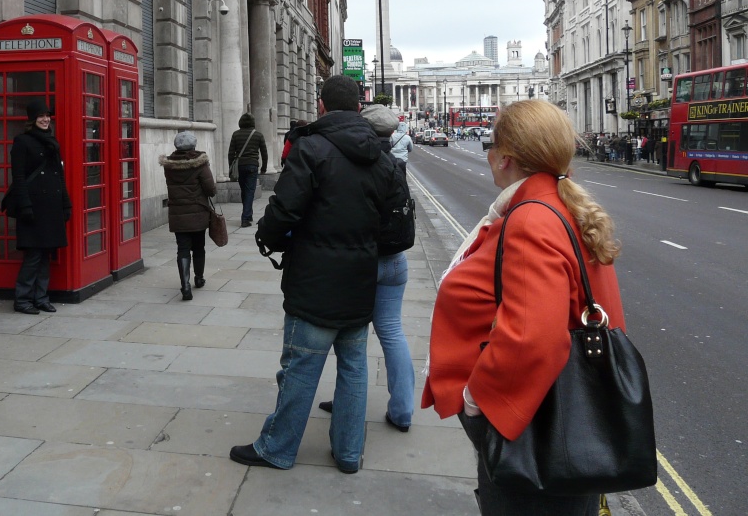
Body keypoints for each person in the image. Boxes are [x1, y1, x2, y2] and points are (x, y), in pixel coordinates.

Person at [422, 100, 626, 515]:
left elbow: (535, 339)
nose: (487, 155)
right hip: (555, 419)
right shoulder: (556, 205)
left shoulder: (532, 219)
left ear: (506, 157)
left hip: (533, 429)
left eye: (490, 145)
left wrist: (478, 403)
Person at [229, 75, 395, 474]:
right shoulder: (382, 154)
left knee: (302, 365)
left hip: (315, 278)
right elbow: (393, 222)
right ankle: (349, 452)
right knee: (354, 366)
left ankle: (278, 448)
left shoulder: (310, 148)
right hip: (359, 278)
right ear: (359, 107)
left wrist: (267, 238)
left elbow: (284, 210)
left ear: (321, 105)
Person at [318, 103, 416, 432]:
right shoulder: (397, 165)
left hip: (363, 263)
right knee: (392, 333)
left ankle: (348, 399)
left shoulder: (361, 164)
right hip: (395, 263)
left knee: (350, 337)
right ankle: (402, 411)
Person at [9, 98, 72, 315]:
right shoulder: (22, 142)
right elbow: (18, 177)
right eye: (41, 116)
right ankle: (23, 299)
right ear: (32, 119)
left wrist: (66, 203)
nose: (45, 119)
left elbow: (59, 176)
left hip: (51, 206)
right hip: (34, 207)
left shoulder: (52, 142)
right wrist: (25, 205)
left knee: (46, 254)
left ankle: (41, 297)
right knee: (33, 255)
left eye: (47, 115)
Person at [159, 130, 217, 300]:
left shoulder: (169, 165)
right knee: (199, 247)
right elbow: (211, 190)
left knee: (182, 249)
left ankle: (185, 286)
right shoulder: (199, 164)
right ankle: (199, 278)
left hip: (178, 213)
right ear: (194, 145)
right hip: (198, 212)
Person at [228, 112, 268, 228]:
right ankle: (245, 218)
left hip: (240, 166)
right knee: (250, 191)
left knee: (244, 191)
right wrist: (264, 168)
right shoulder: (258, 135)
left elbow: (231, 153)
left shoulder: (235, 135)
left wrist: (231, 168)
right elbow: (264, 153)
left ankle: (248, 214)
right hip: (252, 166)